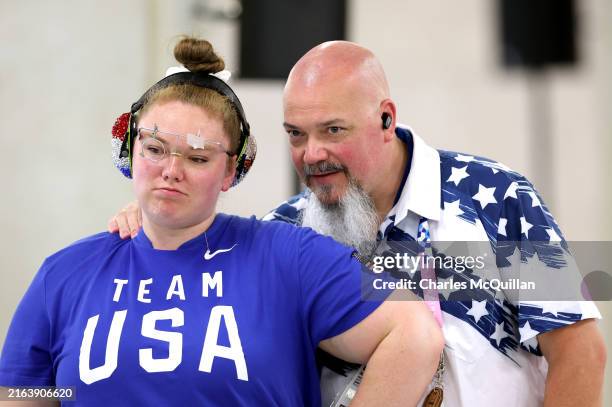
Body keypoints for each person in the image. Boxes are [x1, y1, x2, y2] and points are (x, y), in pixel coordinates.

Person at [109, 40, 607, 406]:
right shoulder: (283, 233)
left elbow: (580, 352)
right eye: (296, 134)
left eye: (333, 131)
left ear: (386, 120)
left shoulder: (500, 197)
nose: (312, 154)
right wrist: (152, 220)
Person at [0, 37, 444, 406]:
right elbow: (26, 391)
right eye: (154, 149)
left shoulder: (287, 256)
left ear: (231, 171)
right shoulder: (65, 273)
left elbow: (413, 333)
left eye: (197, 157)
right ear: (129, 150)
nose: (171, 170)